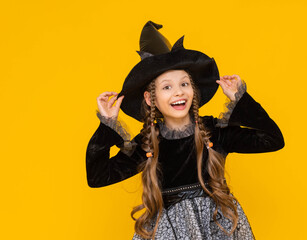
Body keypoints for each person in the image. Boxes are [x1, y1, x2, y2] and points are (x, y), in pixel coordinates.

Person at [86, 21, 285, 240]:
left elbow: (272, 139)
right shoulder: (148, 144)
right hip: (169, 233)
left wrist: (241, 100)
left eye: (184, 84)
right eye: (167, 87)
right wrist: (106, 123)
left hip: (217, 227)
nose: (178, 93)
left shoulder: (214, 132)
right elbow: (98, 177)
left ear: (193, 89)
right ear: (150, 98)